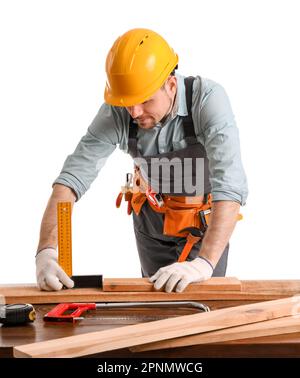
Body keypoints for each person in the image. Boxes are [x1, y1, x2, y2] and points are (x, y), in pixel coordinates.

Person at [35, 28, 248, 293]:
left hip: (204, 225)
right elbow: (72, 178)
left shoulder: (206, 100)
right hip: (152, 223)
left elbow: (229, 183)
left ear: (171, 85)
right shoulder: (120, 109)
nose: (134, 112)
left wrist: (204, 263)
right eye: (128, 103)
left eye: (145, 101)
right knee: (155, 306)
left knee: (202, 309)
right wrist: (46, 250)